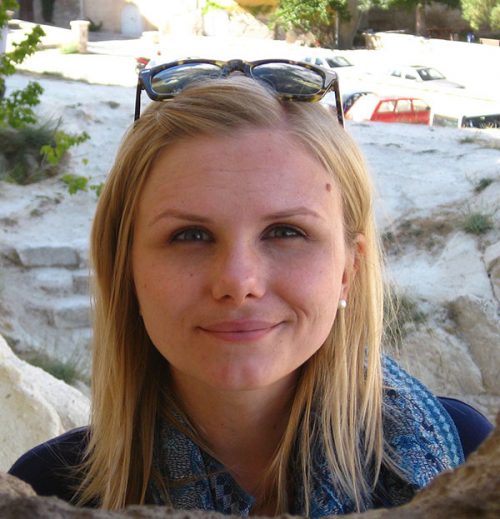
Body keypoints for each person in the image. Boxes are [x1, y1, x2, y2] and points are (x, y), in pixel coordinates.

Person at [9, 59, 492, 516]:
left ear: (350, 269)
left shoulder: (467, 460)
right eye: (190, 235)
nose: (239, 282)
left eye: (285, 232)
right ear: (126, 269)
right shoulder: (48, 493)